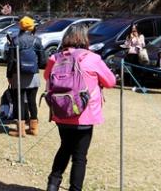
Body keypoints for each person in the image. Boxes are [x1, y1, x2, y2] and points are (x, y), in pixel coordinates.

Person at [44, 24, 116, 191]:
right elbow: (111, 81)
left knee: (64, 147)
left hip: (61, 111)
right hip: (84, 113)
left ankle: (52, 185)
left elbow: (47, 76)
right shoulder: (92, 58)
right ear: (85, 38)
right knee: (79, 156)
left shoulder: (55, 58)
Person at [6, 16, 46, 136]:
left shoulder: (15, 40)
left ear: (21, 27)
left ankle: (21, 130)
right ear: (32, 27)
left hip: (18, 75)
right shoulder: (37, 40)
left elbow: (11, 60)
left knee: (19, 102)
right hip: (33, 75)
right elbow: (43, 60)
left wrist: (9, 75)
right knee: (32, 101)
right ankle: (33, 129)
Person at [121, 23, 146, 91]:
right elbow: (126, 44)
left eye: (134, 29)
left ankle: (142, 86)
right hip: (131, 54)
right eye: (132, 29)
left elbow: (142, 44)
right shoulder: (129, 36)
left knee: (139, 71)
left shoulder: (141, 36)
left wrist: (137, 38)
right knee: (134, 71)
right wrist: (130, 39)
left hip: (137, 55)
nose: (133, 30)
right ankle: (135, 85)